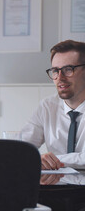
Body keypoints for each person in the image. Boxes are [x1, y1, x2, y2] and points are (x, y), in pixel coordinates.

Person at [22, 40, 85, 170]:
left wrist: (51, 160)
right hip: (56, 185)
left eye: (68, 69)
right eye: (55, 70)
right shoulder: (47, 106)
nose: (60, 78)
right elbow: (22, 147)